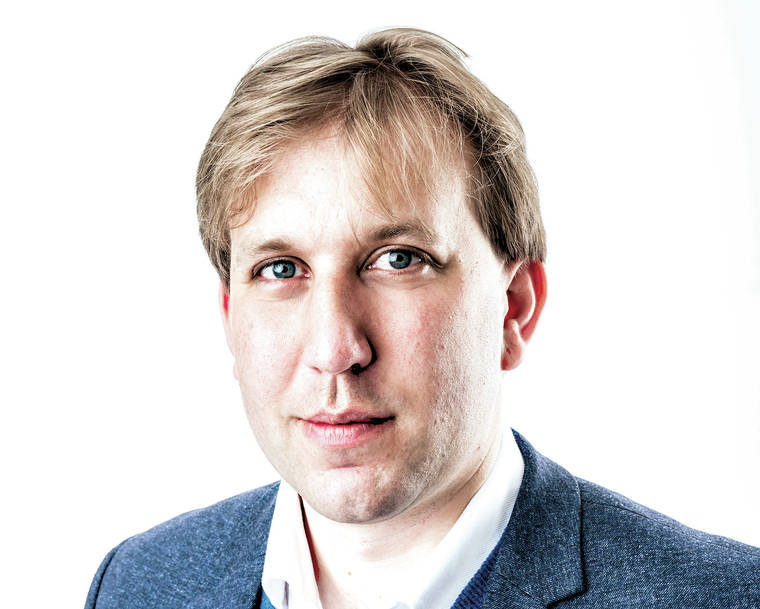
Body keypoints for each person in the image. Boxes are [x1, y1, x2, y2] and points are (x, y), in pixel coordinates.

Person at [85, 28, 760, 609]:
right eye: (281, 269)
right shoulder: (138, 586)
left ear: (513, 308)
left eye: (398, 260)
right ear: (231, 318)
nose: (336, 348)